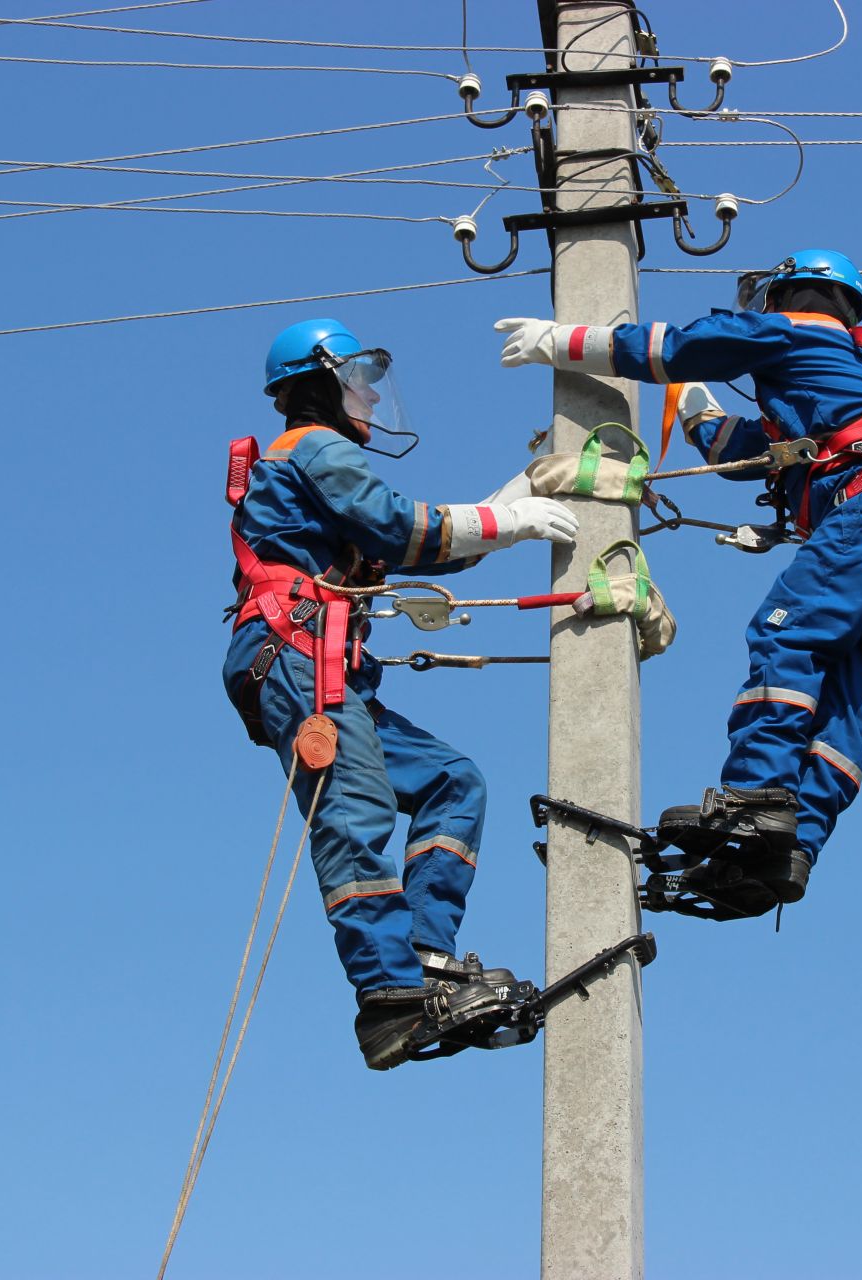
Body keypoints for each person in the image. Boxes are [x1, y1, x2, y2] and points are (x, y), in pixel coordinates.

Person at [494, 250, 862, 920]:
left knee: (787, 632)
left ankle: (756, 799)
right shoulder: (847, 377)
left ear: (792, 293)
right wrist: (693, 408)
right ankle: (792, 846)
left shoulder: (794, 330)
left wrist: (563, 342)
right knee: (857, 695)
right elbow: (737, 453)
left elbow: (680, 346)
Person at [224, 318, 577, 1067]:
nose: (374, 395)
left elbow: (414, 550)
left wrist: (514, 499)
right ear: (319, 383)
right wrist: (506, 519)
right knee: (355, 813)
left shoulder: (319, 468)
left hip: (323, 662)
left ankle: (423, 958)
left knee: (454, 782)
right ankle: (388, 998)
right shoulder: (311, 448)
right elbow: (402, 529)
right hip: (294, 655)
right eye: (360, 379)